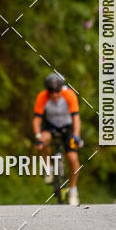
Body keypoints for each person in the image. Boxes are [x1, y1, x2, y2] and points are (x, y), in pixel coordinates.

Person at [33, 72, 82, 206]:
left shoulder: (69, 95)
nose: (54, 95)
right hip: (51, 126)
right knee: (42, 141)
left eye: (56, 91)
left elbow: (76, 118)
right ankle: (48, 168)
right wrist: (38, 137)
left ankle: (73, 190)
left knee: (72, 158)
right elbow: (37, 119)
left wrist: (76, 136)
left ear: (61, 88)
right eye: (51, 92)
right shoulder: (42, 96)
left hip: (68, 127)